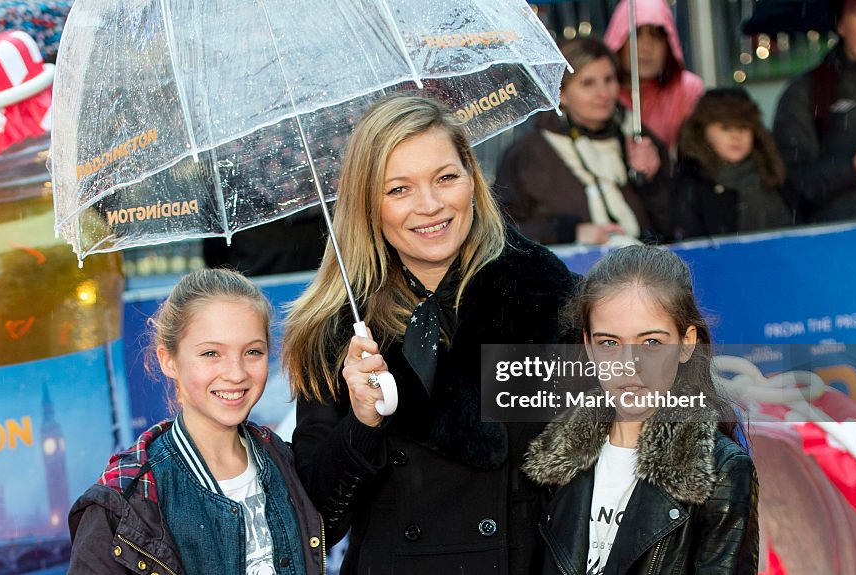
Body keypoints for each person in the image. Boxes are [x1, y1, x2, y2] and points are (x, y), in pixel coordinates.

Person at [283, 93, 576, 573]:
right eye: (399, 189)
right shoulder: (334, 328)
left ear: (471, 179)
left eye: (445, 178)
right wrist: (362, 421)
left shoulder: (542, 292)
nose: (430, 205)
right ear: (367, 204)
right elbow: (318, 521)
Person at [68, 268, 324, 575]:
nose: (236, 373)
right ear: (169, 360)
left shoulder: (281, 459)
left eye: (253, 352)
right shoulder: (127, 500)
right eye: (211, 353)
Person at [522, 245, 758, 574]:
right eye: (609, 343)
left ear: (686, 343)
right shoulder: (550, 455)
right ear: (589, 345)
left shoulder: (722, 471)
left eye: (650, 343)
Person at [494, 37, 672, 246]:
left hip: (641, 267)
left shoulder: (638, 139)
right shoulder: (527, 154)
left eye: (609, 79)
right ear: (561, 94)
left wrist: (652, 182)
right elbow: (503, 230)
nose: (603, 94)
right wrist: (570, 233)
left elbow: (676, 222)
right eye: (588, 83)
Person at [773, 0, 856, 223]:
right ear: (841, 25)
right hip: (840, 249)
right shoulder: (807, 92)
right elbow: (788, 184)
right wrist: (853, 169)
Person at [674, 88, 793, 240]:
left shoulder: (773, 173)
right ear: (703, 131)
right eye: (726, 127)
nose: (736, 136)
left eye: (743, 127)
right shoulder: (692, 183)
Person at [604, 0, 706, 152]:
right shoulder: (600, 91)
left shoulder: (687, 89)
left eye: (657, 36)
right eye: (636, 35)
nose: (646, 47)